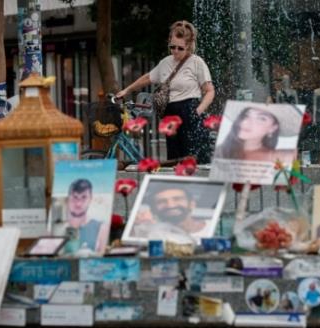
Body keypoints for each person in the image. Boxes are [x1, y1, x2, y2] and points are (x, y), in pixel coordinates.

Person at [116, 20, 215, 164]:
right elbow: (147, 78)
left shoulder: (196, 62)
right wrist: (127, 90)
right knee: (175, 161)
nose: (175, 51)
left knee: (194, 161)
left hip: (190, 111)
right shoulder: (165, 63)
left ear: (188, 46)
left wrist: (197, 111)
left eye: (180, 48)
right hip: (170, 116)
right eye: (172, 47)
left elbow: (210, 91)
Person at [215, 105, 300, 162]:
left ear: (273, 128)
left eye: (261, 118)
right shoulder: (222, 151)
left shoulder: (283, 157)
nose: (247, 122)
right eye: (246, 115)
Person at [59, 179, 108, 254]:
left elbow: (102, 259)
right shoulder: (58, 228)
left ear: (90, 198)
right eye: (75, 197)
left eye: (84, 197)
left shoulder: (101, 227)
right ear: (68, 198)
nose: (78, 203)